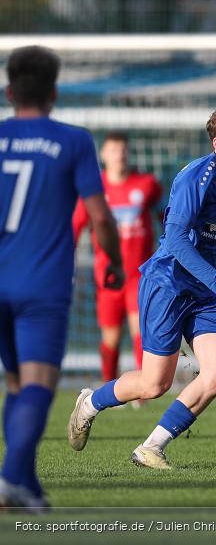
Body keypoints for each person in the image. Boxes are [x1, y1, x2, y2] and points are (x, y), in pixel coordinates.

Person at [67, 104, 216, 470]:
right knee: (154, 385)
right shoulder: (195, 179)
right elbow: (177, 240)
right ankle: (90, 403)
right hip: (168, 284)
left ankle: (152, 446)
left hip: (204, 288)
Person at [0, 46, 124, 510]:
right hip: (41, 285)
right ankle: (10, 478)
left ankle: (25, 485)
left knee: (15, 382)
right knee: (37, 383)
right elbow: (100, 217)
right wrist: (111, 260)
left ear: (9, 91)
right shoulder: (73, 141)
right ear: (54, 92)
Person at [73, 132, 163, 386]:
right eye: (113, 150)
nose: (119, 155)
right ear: (103, 155)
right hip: (108, 276)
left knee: (141, 331)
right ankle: (108, 388)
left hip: (140, 275)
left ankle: (144, 387)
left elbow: (166, 216)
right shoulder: (94, 190)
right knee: (111, 337)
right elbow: (75, 226)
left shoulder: (146, 184)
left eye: (123, 150)